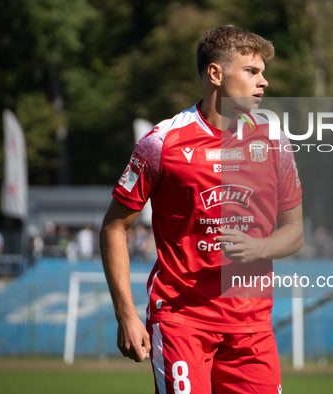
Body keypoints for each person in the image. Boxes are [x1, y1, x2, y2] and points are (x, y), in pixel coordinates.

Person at [100, 26, 303, 393]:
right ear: (215, 74)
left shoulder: (275, 142)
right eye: (252, 72)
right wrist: (126, 314)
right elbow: (114, 226)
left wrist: (259, 247)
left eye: (262, 72)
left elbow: (294, 231)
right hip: (183, 322)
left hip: (252, 329)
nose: (264, 83)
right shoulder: (160, 143)